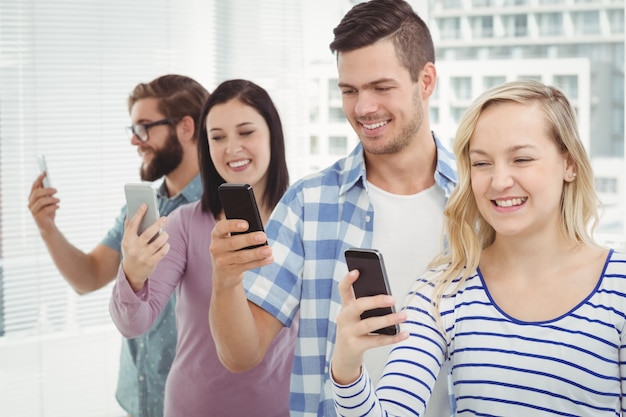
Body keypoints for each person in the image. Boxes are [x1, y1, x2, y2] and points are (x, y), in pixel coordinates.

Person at [208, 1, 457, 415]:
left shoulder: (480, 200)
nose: (363, 108)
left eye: (381, 87)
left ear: (425, 80)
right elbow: (241, 354)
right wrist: (225, 281)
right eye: (349, 90)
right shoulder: (308, 204)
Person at [330, 79, 626, 416]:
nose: (499, 181)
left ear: (569, 164)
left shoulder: (619, 286)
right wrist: (347, 369)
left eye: (522, 159)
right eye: (481, 163)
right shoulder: (442, 291)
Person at [109, 79, 296, 417]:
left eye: (246, 132)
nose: (232, 148)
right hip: (195, 406)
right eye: (218, 137)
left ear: (272, 135)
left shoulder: (304, 219)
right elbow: (133, 324)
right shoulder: (184, 224)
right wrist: (133, 276)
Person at [27, 74, 209, 417]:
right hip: (139, 400)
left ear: (185, 127)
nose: (135, 141)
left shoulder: (221, 212)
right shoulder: (138, 210)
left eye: (144, 128)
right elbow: (89, 277)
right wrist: (47, 229)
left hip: (192, 404)